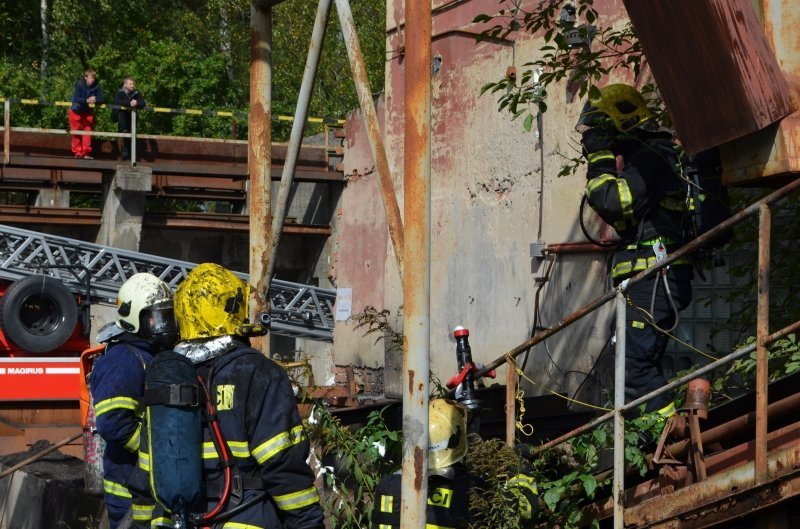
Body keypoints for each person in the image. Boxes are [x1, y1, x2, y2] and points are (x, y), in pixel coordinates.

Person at [128, 262, 325, 529]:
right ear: (233, 308)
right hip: (243, 517)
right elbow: (282, 465)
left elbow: (145, 473)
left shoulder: (166, 376)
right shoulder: (258, 373)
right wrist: (309, 524)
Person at [579, 83, 693, 418]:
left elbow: (614, 201)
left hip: (656, 279)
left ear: (622, 125)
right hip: (646, 281)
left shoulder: (654, 157)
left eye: (602, 132)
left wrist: (599, 159)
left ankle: (667, 439)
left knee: (633, 371)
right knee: (630, 369)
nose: (598, 142)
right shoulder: (640, 162)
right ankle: (658, 441)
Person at [89, 273, 179, 529]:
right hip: (128, 485)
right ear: (134, 318)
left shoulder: (152, 355)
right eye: (156, 318)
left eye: (167, 317)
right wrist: (158, 450)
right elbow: (113, 424)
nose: (164, 325)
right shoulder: (124, 360)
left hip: (152, 483)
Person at [371, 398, 538, 529]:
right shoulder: (472, 491)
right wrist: (521, 466)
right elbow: (524, 510)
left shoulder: (387, 486)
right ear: (458, 442)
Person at [69, 68, 105, 159]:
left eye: (93, 78)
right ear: (85, 77)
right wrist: (87, 100)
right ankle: (77, 152)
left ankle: (86, 153)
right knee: (76, 131)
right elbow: (77, 98)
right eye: (90, 77)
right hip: (75, 110)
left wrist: (94, 101)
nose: (92, 80)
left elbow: (102, 99)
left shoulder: (97, 85)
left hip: (87, 111)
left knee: (87, 131)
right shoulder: (79, 84)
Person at [113, 76, 145, 160]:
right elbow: (117, 101)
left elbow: (143, 103)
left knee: (131, 138)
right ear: (125, 85)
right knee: (123, 138)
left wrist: (136, 103)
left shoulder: (136, 92)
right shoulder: (119, 92)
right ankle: (124, 157)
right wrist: (129, 103)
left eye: (133, 84)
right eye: (130, 84)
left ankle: (131, 157)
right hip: (122, 119)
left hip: (132, 118)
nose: (132, 85)